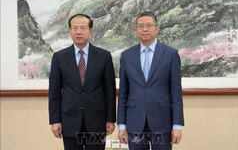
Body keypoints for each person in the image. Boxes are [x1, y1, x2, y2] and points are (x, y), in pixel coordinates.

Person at [117, 11, 184, 150]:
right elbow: (123, 93)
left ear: (157, 28)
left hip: (162, 121)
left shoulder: (170, 54)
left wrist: (177, 126)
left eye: (149, 25)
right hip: (135, 121)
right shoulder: (127, 55)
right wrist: (121, 125)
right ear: (136, 30)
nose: (145, 29)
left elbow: (176, 93)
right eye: (140, 26)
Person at [48, 13, 116, 150]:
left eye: (83, 28)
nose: (78, 32)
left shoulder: (104, 56)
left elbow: (109, 90)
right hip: (69, 119)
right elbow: (54, 92)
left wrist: (110, 119)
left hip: (97, 119)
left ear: (91, 30)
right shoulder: (59, 57)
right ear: (70, 31)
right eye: (75, 28)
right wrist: (55, 121)